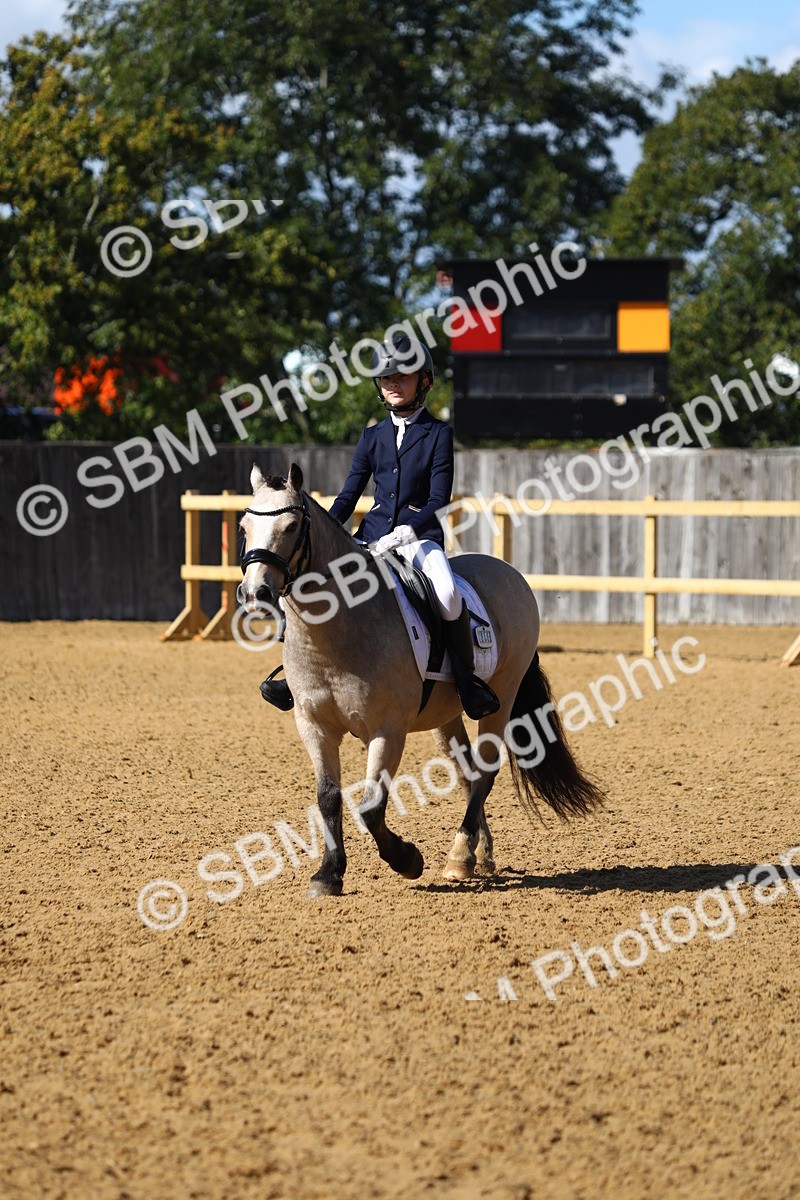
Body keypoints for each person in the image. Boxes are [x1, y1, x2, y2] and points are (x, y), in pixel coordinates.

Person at [260, 333, 499, 719]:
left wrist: (409, 530)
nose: (393, 383)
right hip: (371, 539)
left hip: (418, 539)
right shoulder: (372, 436)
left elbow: (439, 498)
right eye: (386, 378)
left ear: (424, 381)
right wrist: (324, 529)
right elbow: (348, 494)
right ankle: (295, 673)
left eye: (402, 376)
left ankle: (467, 681)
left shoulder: (438, 434)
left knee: (448, 594)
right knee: (314, 584)